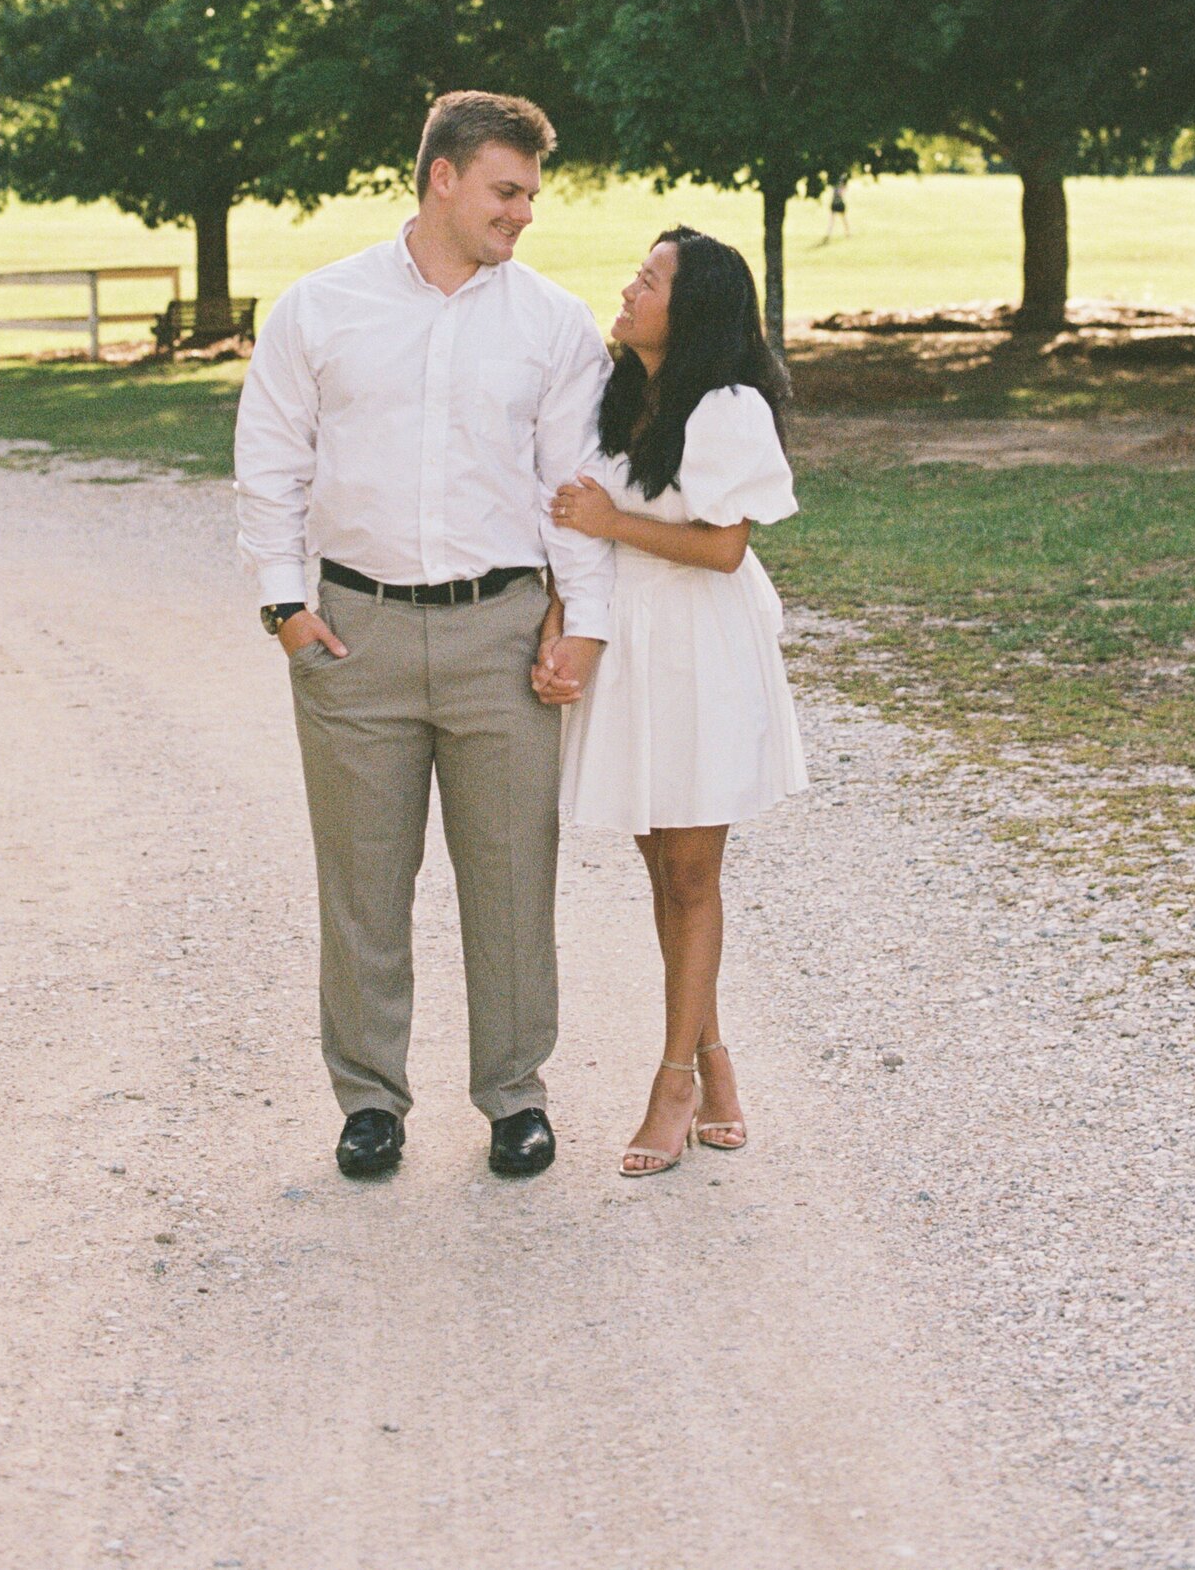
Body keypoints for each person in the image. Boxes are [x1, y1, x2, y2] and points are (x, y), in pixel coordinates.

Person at [235, 91, 614, 1182]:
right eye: (506, 191)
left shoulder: (550, 320)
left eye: (530, 196)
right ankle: (369, 1101)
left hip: (503, 633)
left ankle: (513, 1096)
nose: (522, 214)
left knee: (510, 877)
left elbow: (571, 487)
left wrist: (580, 624)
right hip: (356, 633)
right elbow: (270, 460)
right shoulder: (322, 307)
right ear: (442, 177)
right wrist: (283, 607)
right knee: (361, 883)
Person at [542, 227, 805, 1176]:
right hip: (635, 651)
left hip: (700, 652)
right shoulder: (623, 396)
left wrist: (613, 522)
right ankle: (715, 1059)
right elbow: (582, 541)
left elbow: (726, 548)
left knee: (693, 875)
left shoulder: (726, 406)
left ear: (688, 310)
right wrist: (560, 621)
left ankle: (674, 1083)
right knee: (667, 875)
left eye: (648, 280)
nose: (628, 286)